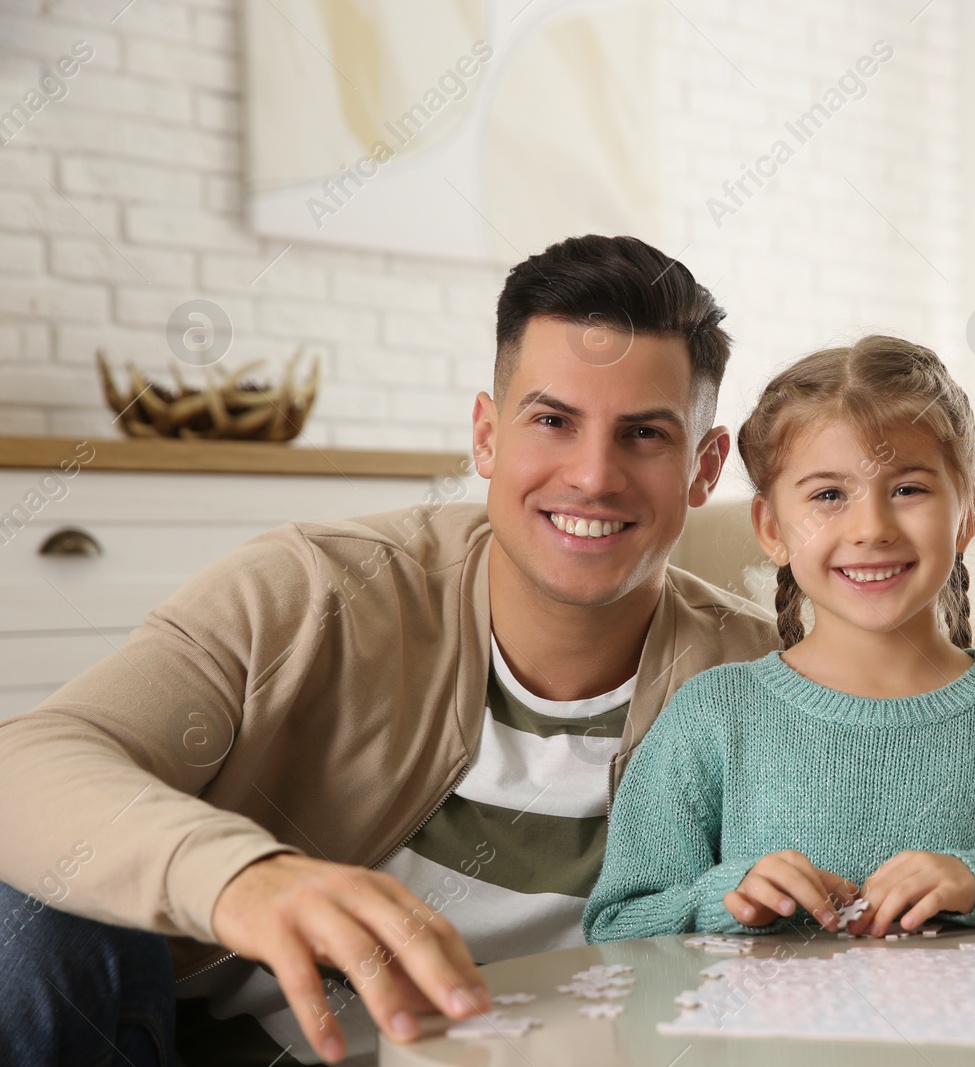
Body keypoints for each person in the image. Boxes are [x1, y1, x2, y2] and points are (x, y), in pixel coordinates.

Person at [0, 235, 782, 1066]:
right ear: (487, 436)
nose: (592, 475)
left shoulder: (770, 679)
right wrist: (244, 876)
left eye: (644, 436)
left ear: (703, 467)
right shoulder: (310, 589)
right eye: (552, 420)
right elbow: (31, 759)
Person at [583, 336, 975, 943]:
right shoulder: (714, 715)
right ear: (772, 528)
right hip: (762, 1039)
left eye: (908, 489)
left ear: (967, 514)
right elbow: (615, 926)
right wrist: (725, 896)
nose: (870, 529)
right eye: (828, 496)